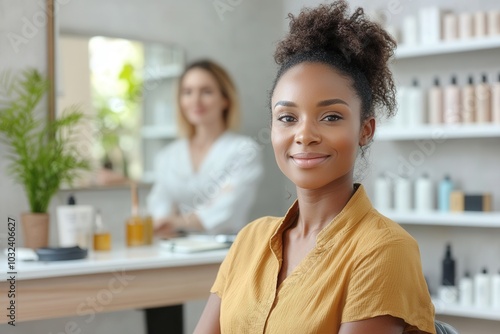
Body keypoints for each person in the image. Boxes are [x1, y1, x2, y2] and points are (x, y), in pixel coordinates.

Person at [194, 2, 435, 334]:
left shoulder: (384, 249)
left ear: (366, 130)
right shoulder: (250, 240)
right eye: (288, 118)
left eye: (331, 116)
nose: (304, 135)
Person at [146, 59, 263, 236]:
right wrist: (166, 220)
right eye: (187, 92)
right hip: (177, 250)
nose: (195, 101)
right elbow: (160, 205)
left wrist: (177, 221)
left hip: (226, 253)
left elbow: (229, 208)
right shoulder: (167, 156)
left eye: (206, 92)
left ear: (225, 100)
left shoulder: (244, 150)